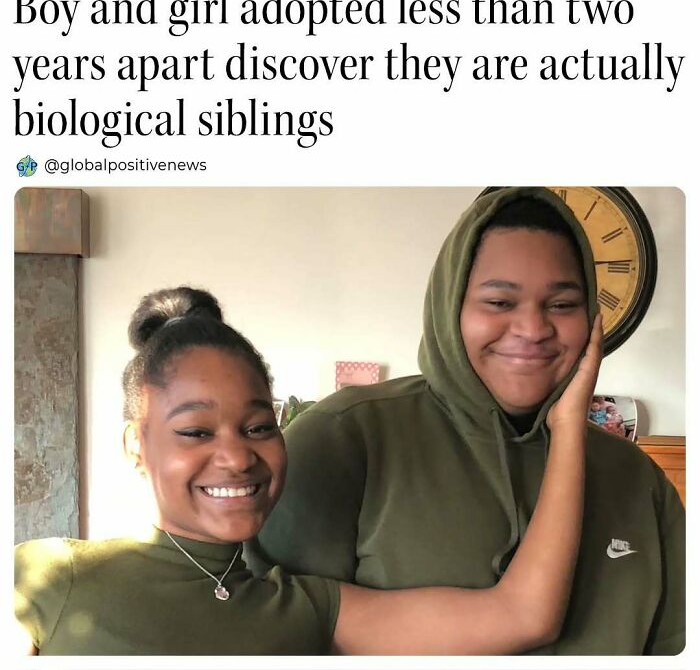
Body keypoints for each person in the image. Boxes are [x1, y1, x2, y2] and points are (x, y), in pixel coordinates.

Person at [14, 285, 601, 656]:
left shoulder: (307, 609)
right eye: (195, 431)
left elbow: (524, 616)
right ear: (135, 447)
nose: (237, 456)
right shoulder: (49, 578)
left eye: (258, 426)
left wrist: (569, 424)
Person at [253, 187, 686, 655]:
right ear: (449, 306)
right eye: (500, 303)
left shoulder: (637, 480)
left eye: (561, 305)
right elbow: (262, 630)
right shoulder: (345, 437)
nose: (533, 329)